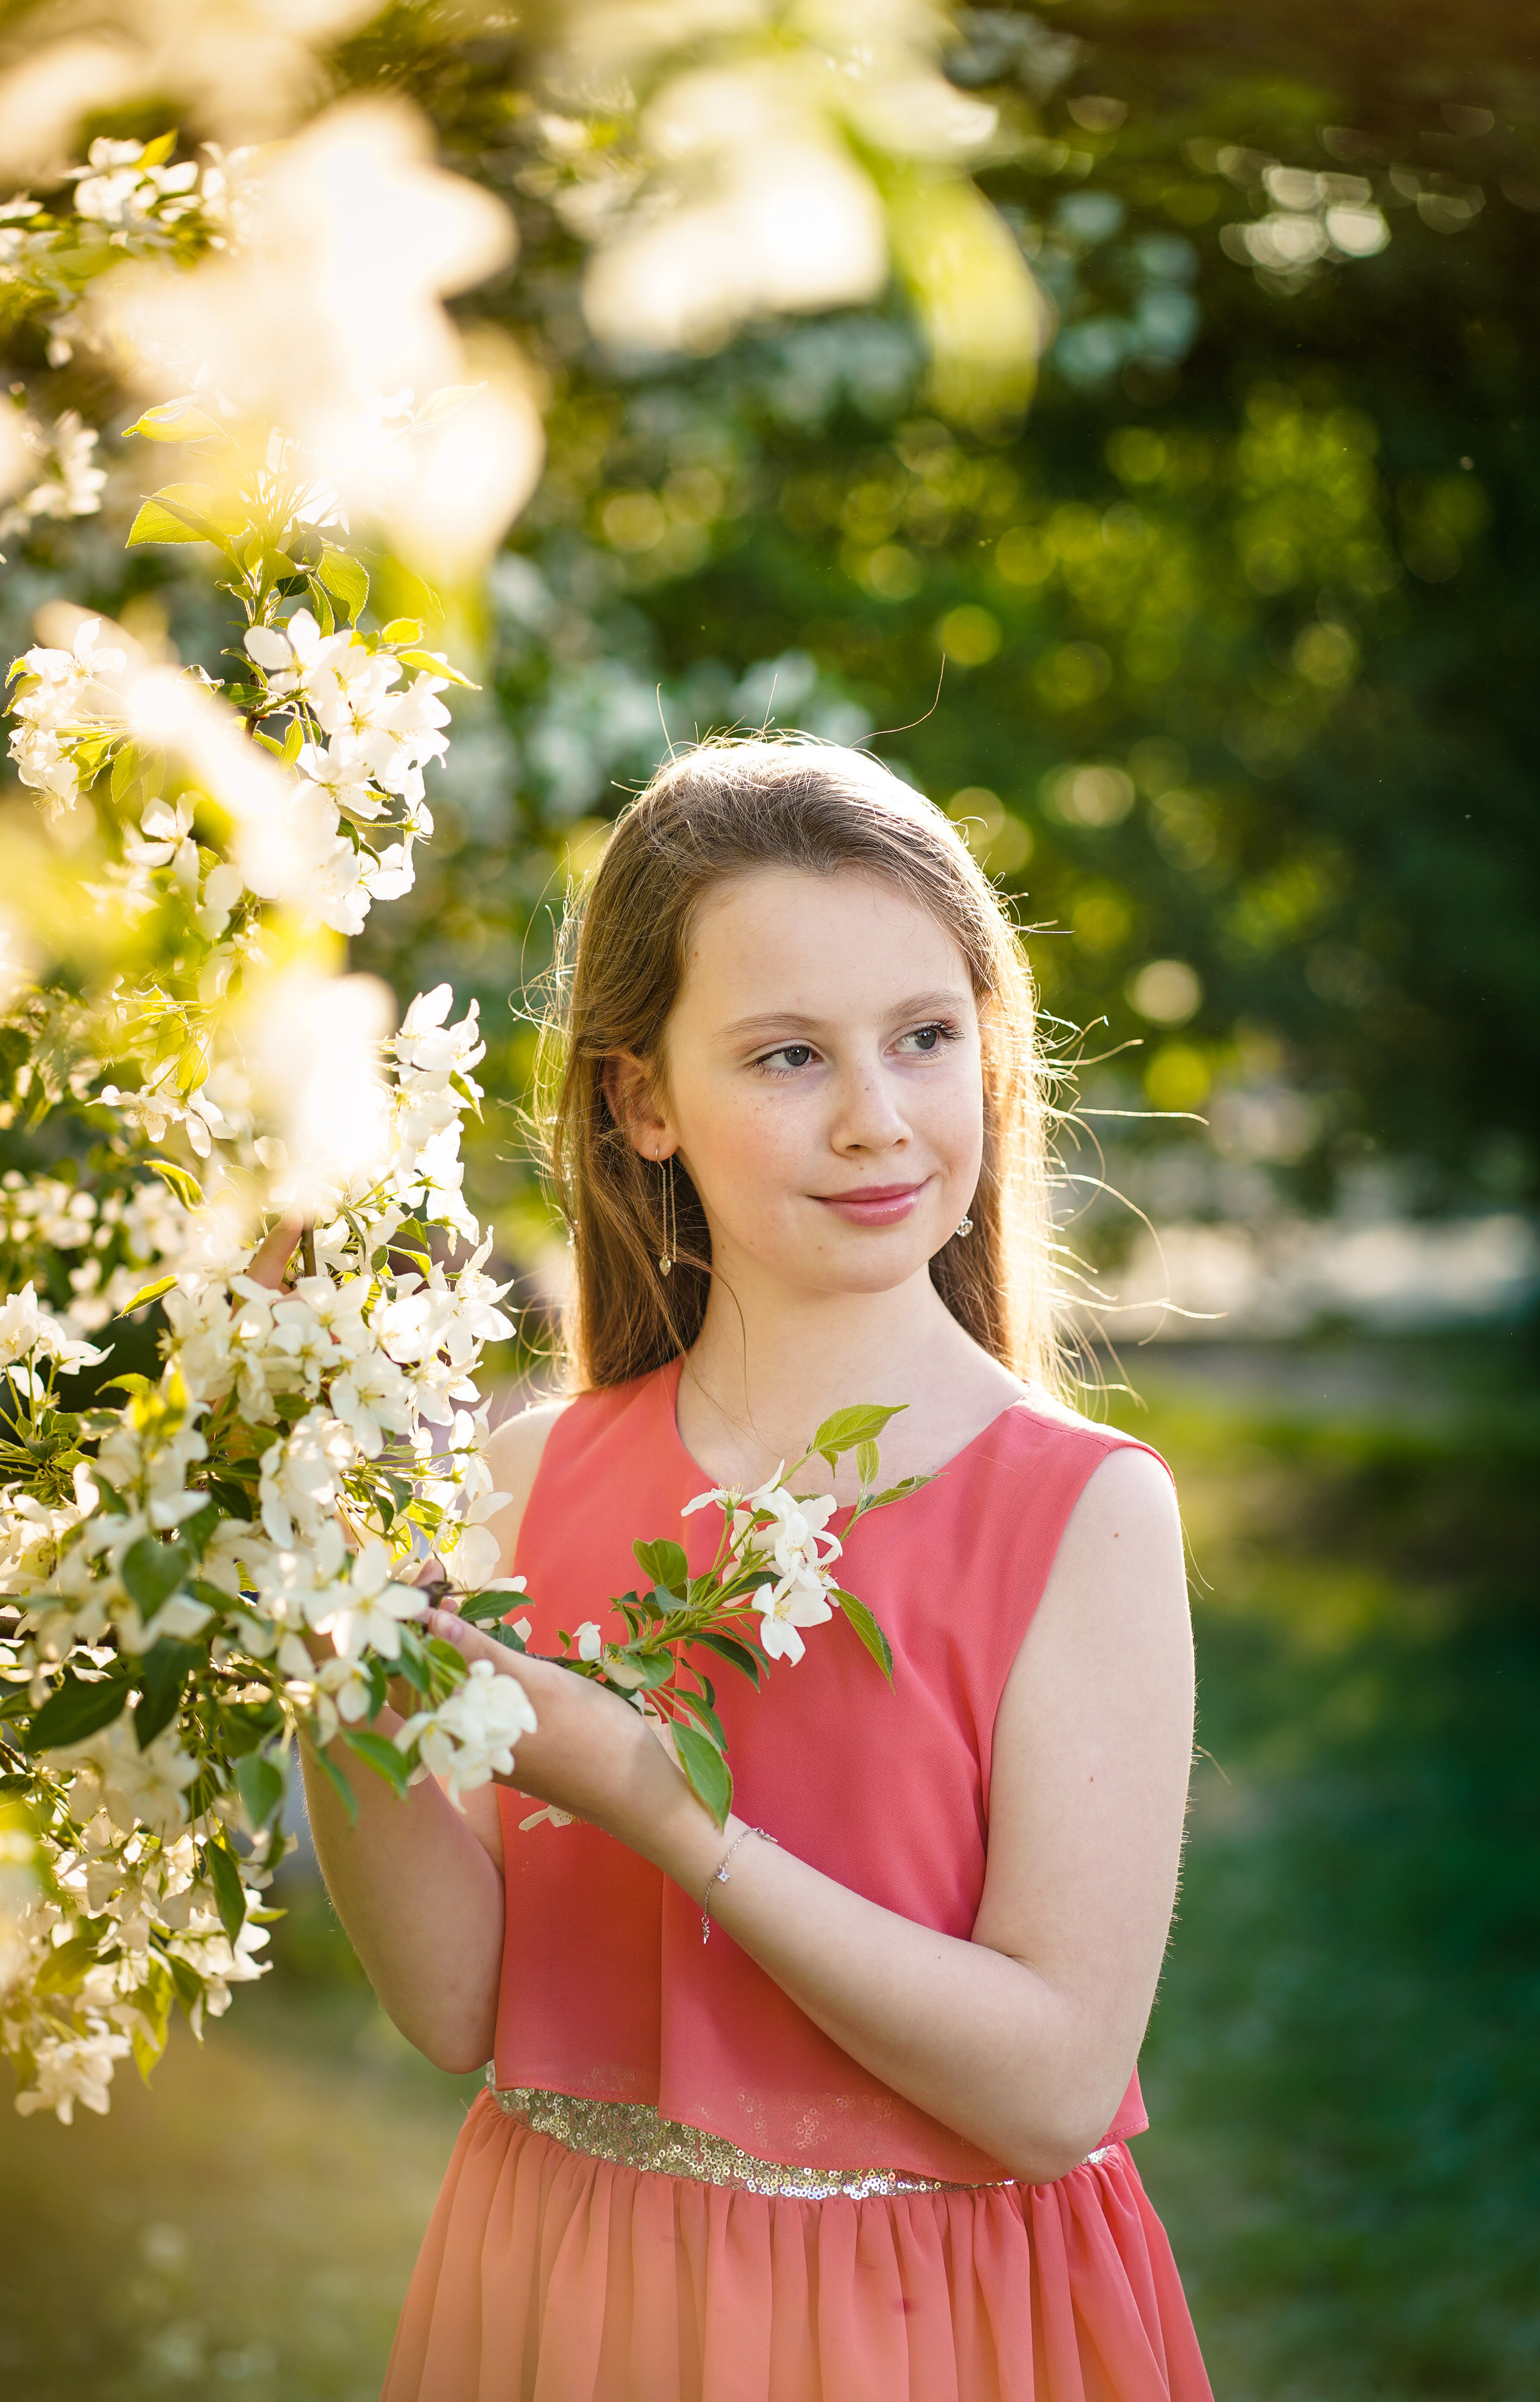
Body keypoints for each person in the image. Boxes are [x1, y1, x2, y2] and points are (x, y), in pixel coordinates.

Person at [290, 738, 1209, 2401]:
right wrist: (317, 1609)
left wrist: (653, 1796)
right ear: (640, 1100)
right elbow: (453, 2003)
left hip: (931, 2325)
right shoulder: (526, 1485)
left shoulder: (1077, 1515)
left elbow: (1054, 2083)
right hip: (568, 2298)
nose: (876, 1120)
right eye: (786, 1055)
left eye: (923, 1039)